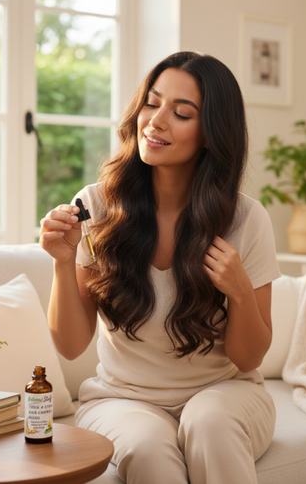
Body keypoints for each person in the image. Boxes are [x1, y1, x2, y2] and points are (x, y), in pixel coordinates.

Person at [39, 51, 281, 484]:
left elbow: (249, 357)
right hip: (121, 399)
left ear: (211, 134)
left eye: (181, 112)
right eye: (152, 103)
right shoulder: (96, 206)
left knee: (210, 424)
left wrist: (240, 292)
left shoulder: (246, 220)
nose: (156, 121)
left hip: (227, 394)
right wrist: (62, 262)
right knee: (149, 445)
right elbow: (71, 345)